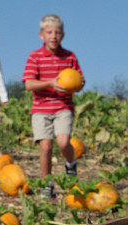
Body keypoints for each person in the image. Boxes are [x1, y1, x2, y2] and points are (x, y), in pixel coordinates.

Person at [22, 14, 84, 198]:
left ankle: (71, 165)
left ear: (63, 35)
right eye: (49, 32)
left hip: (63, 106)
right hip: (41, 108)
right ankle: (47, 185)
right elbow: (28, 84)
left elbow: (80, 81)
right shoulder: (35, 57)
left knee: (64, 142)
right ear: (41, 35)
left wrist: (77, 85)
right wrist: (50, 83)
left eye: (57, 32)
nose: (53, 36)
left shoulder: (70, 57)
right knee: (46, 147)